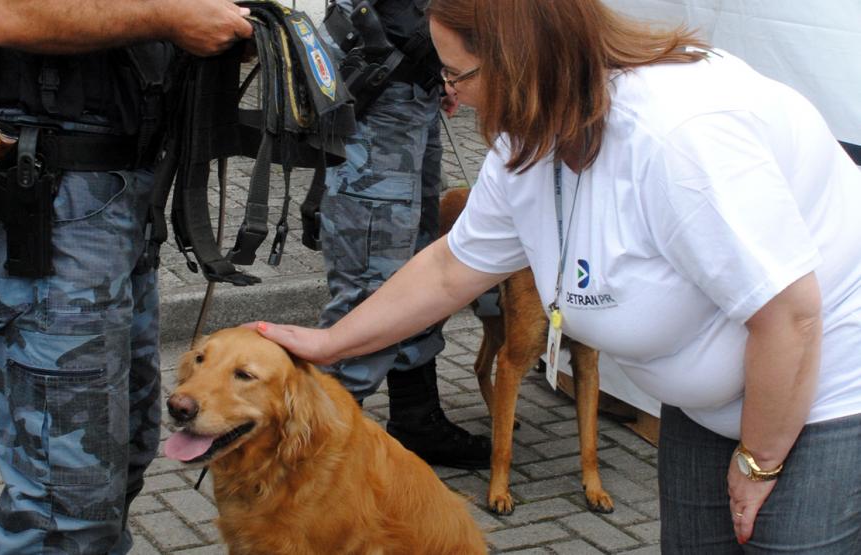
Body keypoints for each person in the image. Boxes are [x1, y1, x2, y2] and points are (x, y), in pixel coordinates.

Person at [254, 0, 861, 552]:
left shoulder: (680, 137)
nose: (452, 99)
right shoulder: (532, 138)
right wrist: (329, 343)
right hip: (709, 405)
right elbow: (447, 270)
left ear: (522, 63)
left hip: (821, 396)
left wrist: (759, 461)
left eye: (458, 75)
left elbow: (791, 315)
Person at [0, 1, 252, 553]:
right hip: (56, 198)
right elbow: (2, 15)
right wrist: (171, 17)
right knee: (66, 497)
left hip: (116, 193)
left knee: (122, 452)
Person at [315, 0, 490, 469]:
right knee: (371, 287)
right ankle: (305, 458)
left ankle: (416, 420)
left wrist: (441, 69)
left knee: (419, 263)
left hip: (411, 80)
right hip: (379, 79)